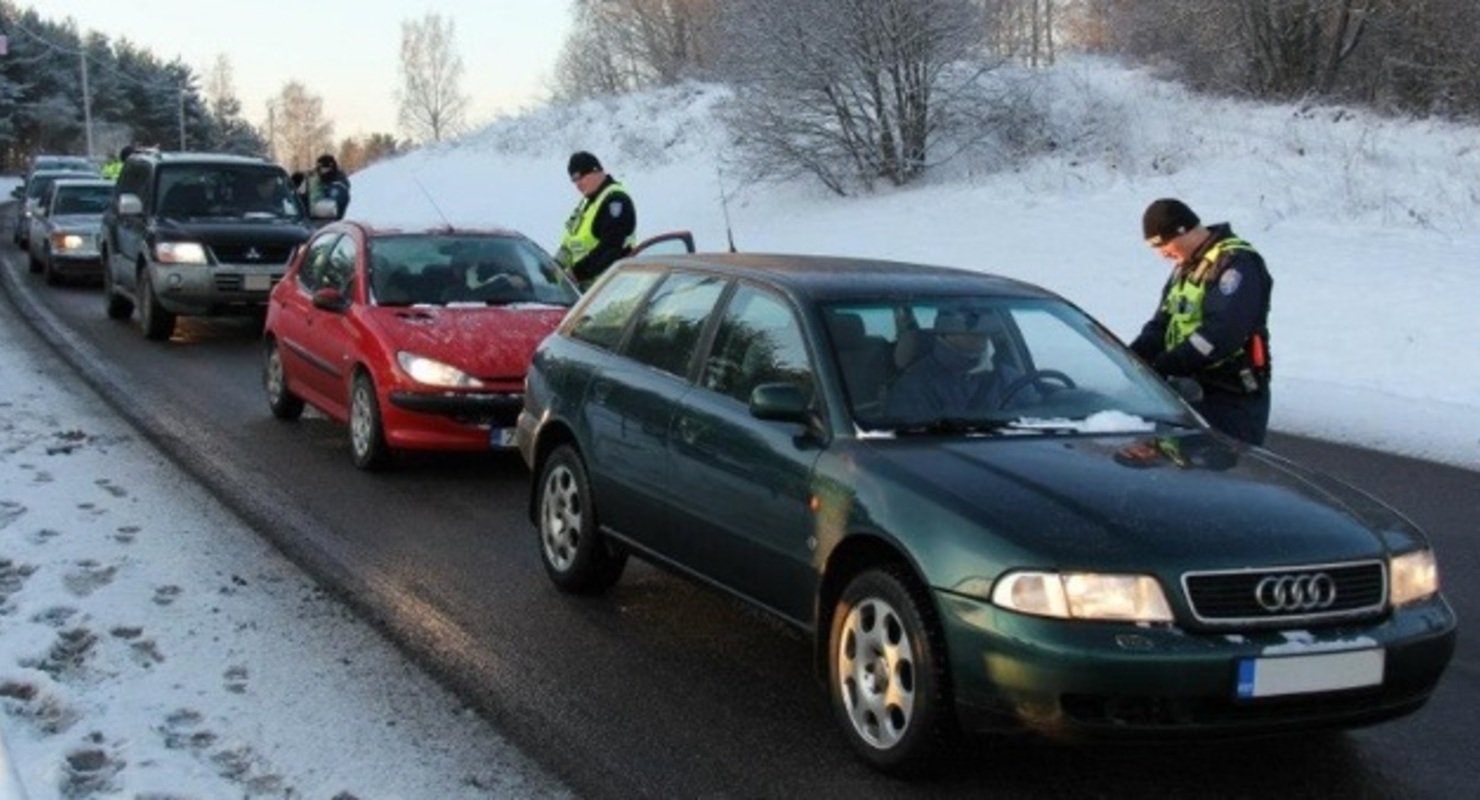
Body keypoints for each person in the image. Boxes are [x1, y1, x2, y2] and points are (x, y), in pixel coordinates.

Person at [1129, 198, 1273, 446]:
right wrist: (1130, 358)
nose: (1163, 254)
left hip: (1230, 398)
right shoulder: (1186, 267)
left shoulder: (1235, 263)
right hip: (1187, 392)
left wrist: (1164, 365)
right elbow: (1162, 323)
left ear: (1182, 230)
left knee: (1224, 478)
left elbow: (1220, 335)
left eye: (1164, 245)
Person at [886, 307, 1023, 422]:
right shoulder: (915, 384)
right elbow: (914, 441)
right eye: (968, 328)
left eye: (984, 330)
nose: (979, 335)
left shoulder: (1009, 378)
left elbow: (1036, 415)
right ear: (945, 332)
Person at [553, 151, 635, 291]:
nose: (577, 184)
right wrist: (551, 270)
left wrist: (576, 273)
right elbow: (568, 246)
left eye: (580, 177)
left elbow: (610, 249)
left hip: (609, 292)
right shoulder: (588, 202)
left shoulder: (615, 200)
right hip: (585, 291)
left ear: (595, 171)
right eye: (574, 180)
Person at [308, 154, 351, 219]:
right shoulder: (321, 181)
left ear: (330, 168)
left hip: (325, 223)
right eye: (317, 168)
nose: (318, 171)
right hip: (312, 221)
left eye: (321, 168)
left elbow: (330, 208)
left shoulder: (338, 186)